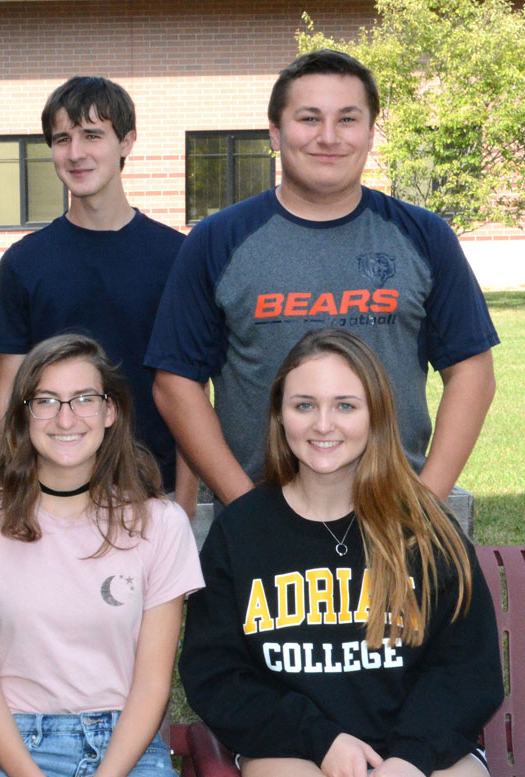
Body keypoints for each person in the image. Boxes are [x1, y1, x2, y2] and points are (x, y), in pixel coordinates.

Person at [145, 49, 498, 508]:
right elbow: (175, 381)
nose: (328, 137)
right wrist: (245, 507)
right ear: (275, 131)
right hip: (260, 507)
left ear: (371, 133)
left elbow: (472, 370)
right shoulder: (217, 240)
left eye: (348, 120)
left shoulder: (424, 236)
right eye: (309, 118)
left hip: (392, 508)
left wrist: (427, 500)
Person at [179, 328, 501, 777]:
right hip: (296, 747)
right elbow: (216, 675)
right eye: (304, 405)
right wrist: (319, 738)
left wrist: (412, 753)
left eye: (345, 406)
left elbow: (467, 670)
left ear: (376, 415)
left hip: (423, 747)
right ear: (279, 415)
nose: (322, 425)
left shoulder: (425, 528)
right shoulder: (242, 532)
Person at [0, 334, 203, 777]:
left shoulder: (160, 525)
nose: (65, 418)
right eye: (46, 400)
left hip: (126, 752)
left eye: (84, 399)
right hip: (11, 749)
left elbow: (152, 685)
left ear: (110, 411)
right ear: (23, 414)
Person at [0, 76, 196, 513]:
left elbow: (192, 388)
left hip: (156, 490)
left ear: (127, 142)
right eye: (62, 139)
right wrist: (18, 489)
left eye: (92, 135)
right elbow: (10, 391)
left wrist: (187, 501)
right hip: (53, 493)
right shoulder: (23, 263)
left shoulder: (178, 256)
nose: (76, 152)